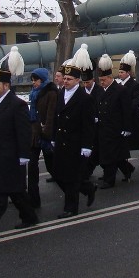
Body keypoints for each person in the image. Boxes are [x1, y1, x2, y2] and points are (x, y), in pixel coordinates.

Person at [0, 48, 38, 238]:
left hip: (9, 156)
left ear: (6, 85)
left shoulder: (17, 104)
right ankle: (30, 217)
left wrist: (24, 155)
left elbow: (23, 132)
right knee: (16, 192)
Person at [52, 48, 98, 215]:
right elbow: (56, 118)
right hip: (61, 139)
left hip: (75, 142)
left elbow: (88, 124)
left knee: (70, 178)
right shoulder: (60, 93)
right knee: (57, 174)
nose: (65, 81)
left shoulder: (85, 98)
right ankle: (87, 188)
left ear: (77, 80)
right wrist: (53, 137)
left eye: (69, 79)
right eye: (64, 78)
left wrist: (87, 145)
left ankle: (70, 208)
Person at [94, 55, 135, 188]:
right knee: (114, 155)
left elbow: (126, 111)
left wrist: (127, 128)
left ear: (110, 78)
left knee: (110, 156)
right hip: (103, 127)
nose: (102, 83)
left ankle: (109, 180)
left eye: (104, 80)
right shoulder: (100, 91)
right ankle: (127, 169)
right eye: (100, 80)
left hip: (115, 128)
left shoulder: (120, 90)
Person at [115, 50, 139, 167]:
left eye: (122, 72)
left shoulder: (135, 85)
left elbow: (136, 100)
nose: (119, 74)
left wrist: (126, 110)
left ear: (128, 73)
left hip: (134, 117)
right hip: (122, 117)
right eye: (119, 72)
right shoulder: (118, 86)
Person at [27, 67, 56, 207]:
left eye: (36, 80)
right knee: (32, 166)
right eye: (32, 80)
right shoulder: (33, 93)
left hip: (45, 136)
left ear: (43, 80)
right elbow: (32, 116)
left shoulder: (51, 93)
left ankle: (81, 188)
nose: (34, 83)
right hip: (34, 135)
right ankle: (33, 199)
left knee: (53, 167)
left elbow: (50, 116)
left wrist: (47, 135)